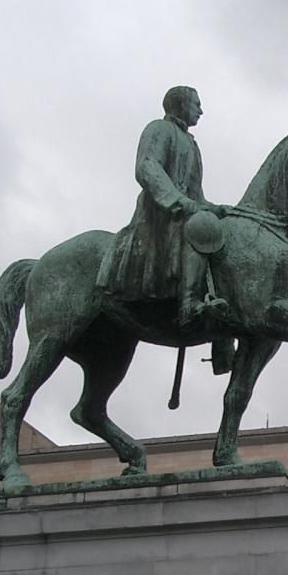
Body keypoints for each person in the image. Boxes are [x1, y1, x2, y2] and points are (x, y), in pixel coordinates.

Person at [115, 85, 234, 372]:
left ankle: (223, 336)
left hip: (185, 210)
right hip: (160, 211)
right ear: (181, 104)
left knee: (221, 233)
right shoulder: (158, 129)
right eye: (197, 104)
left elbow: (196, 194)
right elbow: (147, 167)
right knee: (200, 228)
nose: (201, 110)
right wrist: (177, 201)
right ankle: (189, 305)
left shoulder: (191, 144)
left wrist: (214, 208)